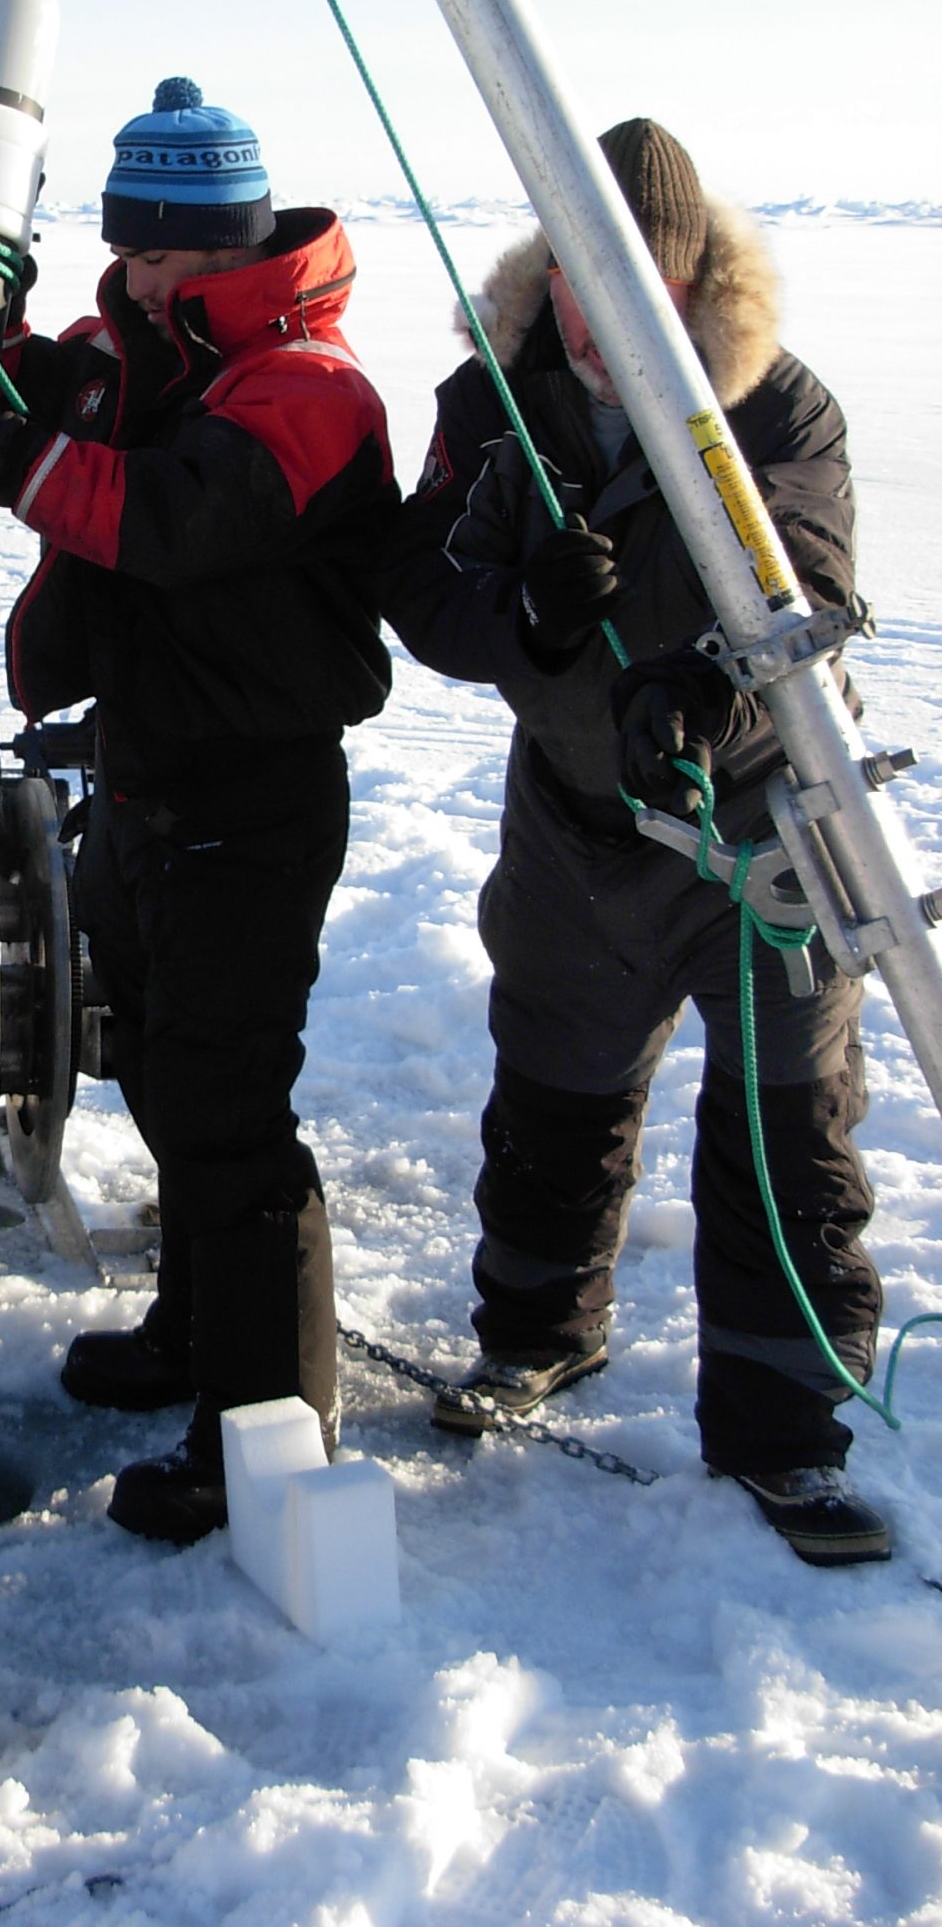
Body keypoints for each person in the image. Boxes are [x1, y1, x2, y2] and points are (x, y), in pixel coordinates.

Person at [0, 76, 397, 1544]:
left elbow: (162, 521)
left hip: (257, 790)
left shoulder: (311, 388)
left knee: (231, 1118)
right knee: (160, 1073)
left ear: (226, 241)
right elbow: (53, 382)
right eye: (124, 247)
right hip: (152, 774)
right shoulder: (136, 345)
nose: (138, 274)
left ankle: (266, 1440)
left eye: (162, 251)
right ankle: (189, 1337)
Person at [382, 116, 889, 1567]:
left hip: (762, 832)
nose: (610, 335)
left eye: (648, 300)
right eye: (586, 299)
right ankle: (538, 1333)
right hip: (574, 826)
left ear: (695, 290)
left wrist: (706, 681)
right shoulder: (495, 402)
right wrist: (523, 618)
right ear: (554, 280)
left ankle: (787, 1438)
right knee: (554, 1095)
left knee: (785, 1128)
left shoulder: (781, 411)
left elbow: (817, 587)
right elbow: (422, 585)